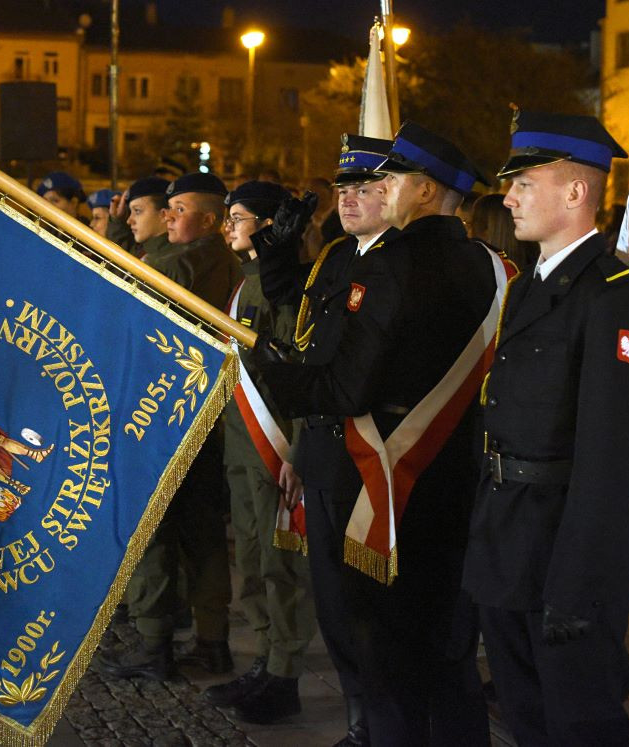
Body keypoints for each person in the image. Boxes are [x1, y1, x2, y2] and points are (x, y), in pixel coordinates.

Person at [255, 122, 503, 746]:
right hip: (447, 466)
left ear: (423, 191)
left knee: (381, 645)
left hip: (373, 468)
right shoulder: (487, 265)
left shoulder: (394, 264)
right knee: (445, 647)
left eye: (386, 179)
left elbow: (345, 386)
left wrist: (262, 371)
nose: (372, 190)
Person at [462, 111, 629, 746]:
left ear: (575, 193)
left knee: (581, 722)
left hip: (566, 550)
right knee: (525, 715)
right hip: (509, 534)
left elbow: (612, 456)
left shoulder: (618, 300)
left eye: (524, 184)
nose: (509, 198)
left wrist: (577, 581)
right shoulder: (530, 291)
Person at [253, 134, 399, 745]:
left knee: (366, 611)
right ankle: (359, 721)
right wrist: (278, 245)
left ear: (395, 192)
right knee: (334, 606)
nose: (348, 199)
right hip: (320, 446)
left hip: (366, 451)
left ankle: (377, 727)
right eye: (343, 189)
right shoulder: (339, 255)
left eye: (364, 188)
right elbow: (295, 301)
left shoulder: (397, 262)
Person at [99, 172, 239, 681]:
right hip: (201, 417)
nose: (171, 216)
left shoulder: (175, 263)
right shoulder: (222, 260)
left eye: (179, 209)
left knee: (152, 531)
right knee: (202, 536)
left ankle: (154, 641)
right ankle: (212, 640)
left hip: (157, 416)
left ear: (207, 219)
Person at [200, 179, 317, 723]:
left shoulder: (280, 288)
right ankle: (264, 661)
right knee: (250, 556)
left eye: (238, 216)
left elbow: (295, 372)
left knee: (280, 564)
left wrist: (297, 448)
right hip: (242, 445)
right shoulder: (247, 283)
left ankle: (285, 672)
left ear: (270, 225)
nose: (227, 225)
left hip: (273, 444)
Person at [470, 193, 539, 271]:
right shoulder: (540, 270)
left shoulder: (474, 270)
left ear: (485, 230)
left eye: (470, 223)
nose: (468, 231)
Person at [106, 176, 171, 258]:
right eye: (130, 211)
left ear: (164, 214)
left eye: (137, 211)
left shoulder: (168, 258)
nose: (129, 221)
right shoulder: (143, 249)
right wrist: (117, 221)